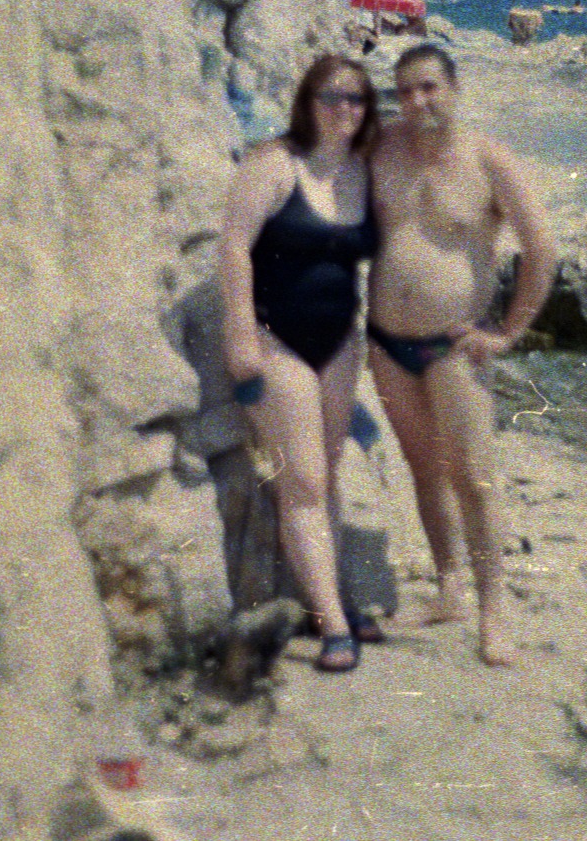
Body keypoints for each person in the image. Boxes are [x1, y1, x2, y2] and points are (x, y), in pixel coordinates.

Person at [367, 43, 556, 666]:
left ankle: (492, 614)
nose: (416, 101)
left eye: (428, 88)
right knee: (422, 468)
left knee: (472, 479)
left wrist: (509, 332)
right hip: (386, 342)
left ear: (454, 88)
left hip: (455, 344)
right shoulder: (382, 148)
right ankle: (448, 588)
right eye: (405, 90)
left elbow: (541, 250)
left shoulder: (488, 160)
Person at [217, 55, 383, 674]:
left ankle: (326, 600)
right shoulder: (273, 164)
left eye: (357, 99)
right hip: (274, 338)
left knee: (328, 475)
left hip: (340, 342)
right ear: (307, 102)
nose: (344, 108)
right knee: (306, 481)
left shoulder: (361, 173)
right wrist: (239, 332)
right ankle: (334, 623)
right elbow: (234, 245)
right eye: (330, 97)